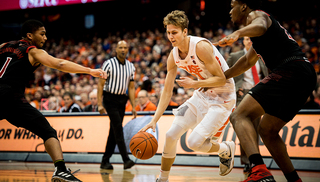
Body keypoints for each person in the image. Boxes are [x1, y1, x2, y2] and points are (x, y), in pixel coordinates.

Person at [215, 0, 317, 182]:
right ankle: (294, 179)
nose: (230, 11)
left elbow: (260, 26)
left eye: (232, 6)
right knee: (267, 131)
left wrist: (237, 33)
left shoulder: (257, 15)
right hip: (304, 76)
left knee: (239, 115)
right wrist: (223, 77)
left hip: (291, 70)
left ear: (244, 7)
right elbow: (246, 62)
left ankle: (259, 170)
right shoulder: (258, 36)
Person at [0, 19, 107, 182]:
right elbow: (60, 63)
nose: (45, 38)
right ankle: (61, 170)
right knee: (48, 132)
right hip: (10, 96)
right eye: (42, 34)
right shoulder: (32, 51)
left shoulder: (3, 46)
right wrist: (89, 70)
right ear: (30, 35)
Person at [140, 10, 237, 182]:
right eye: (168, 32)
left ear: (185, 32)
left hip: (223, 96)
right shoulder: (173, 55)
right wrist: (155, 119)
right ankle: (163, 179)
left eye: (174, 32)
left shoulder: (200, 46)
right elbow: (167, 91)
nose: (170, 36)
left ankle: (225, 148)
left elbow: (222, 78)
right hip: (203, 93)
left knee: (193, 143)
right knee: (170, 136)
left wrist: (194, 84)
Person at [226, 36, 268, 178]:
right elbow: (226, 74)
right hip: (242, 94)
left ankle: (255, 161)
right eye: (246, 39)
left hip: (258, 94)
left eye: (251, 38)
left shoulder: (262, 55)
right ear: (243, 41)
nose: (249, 41)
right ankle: (247, 162)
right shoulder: (235, 56)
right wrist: (233, 89)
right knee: (243, 128)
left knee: (255, 130)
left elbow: (266, 74)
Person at [98, 40, 137, 170]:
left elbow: (131, 88)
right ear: (116, 49)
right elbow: (100, 84)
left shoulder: (131, 67)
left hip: (122, 100)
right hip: (109, 99)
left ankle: (105, 161)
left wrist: (133, 106)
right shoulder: (108, 64)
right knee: (118, 128)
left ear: (128, 50)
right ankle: (126, 160)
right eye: (120, 47)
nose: (123, 50)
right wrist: (99, 104)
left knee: (114, 131)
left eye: (125, 48)